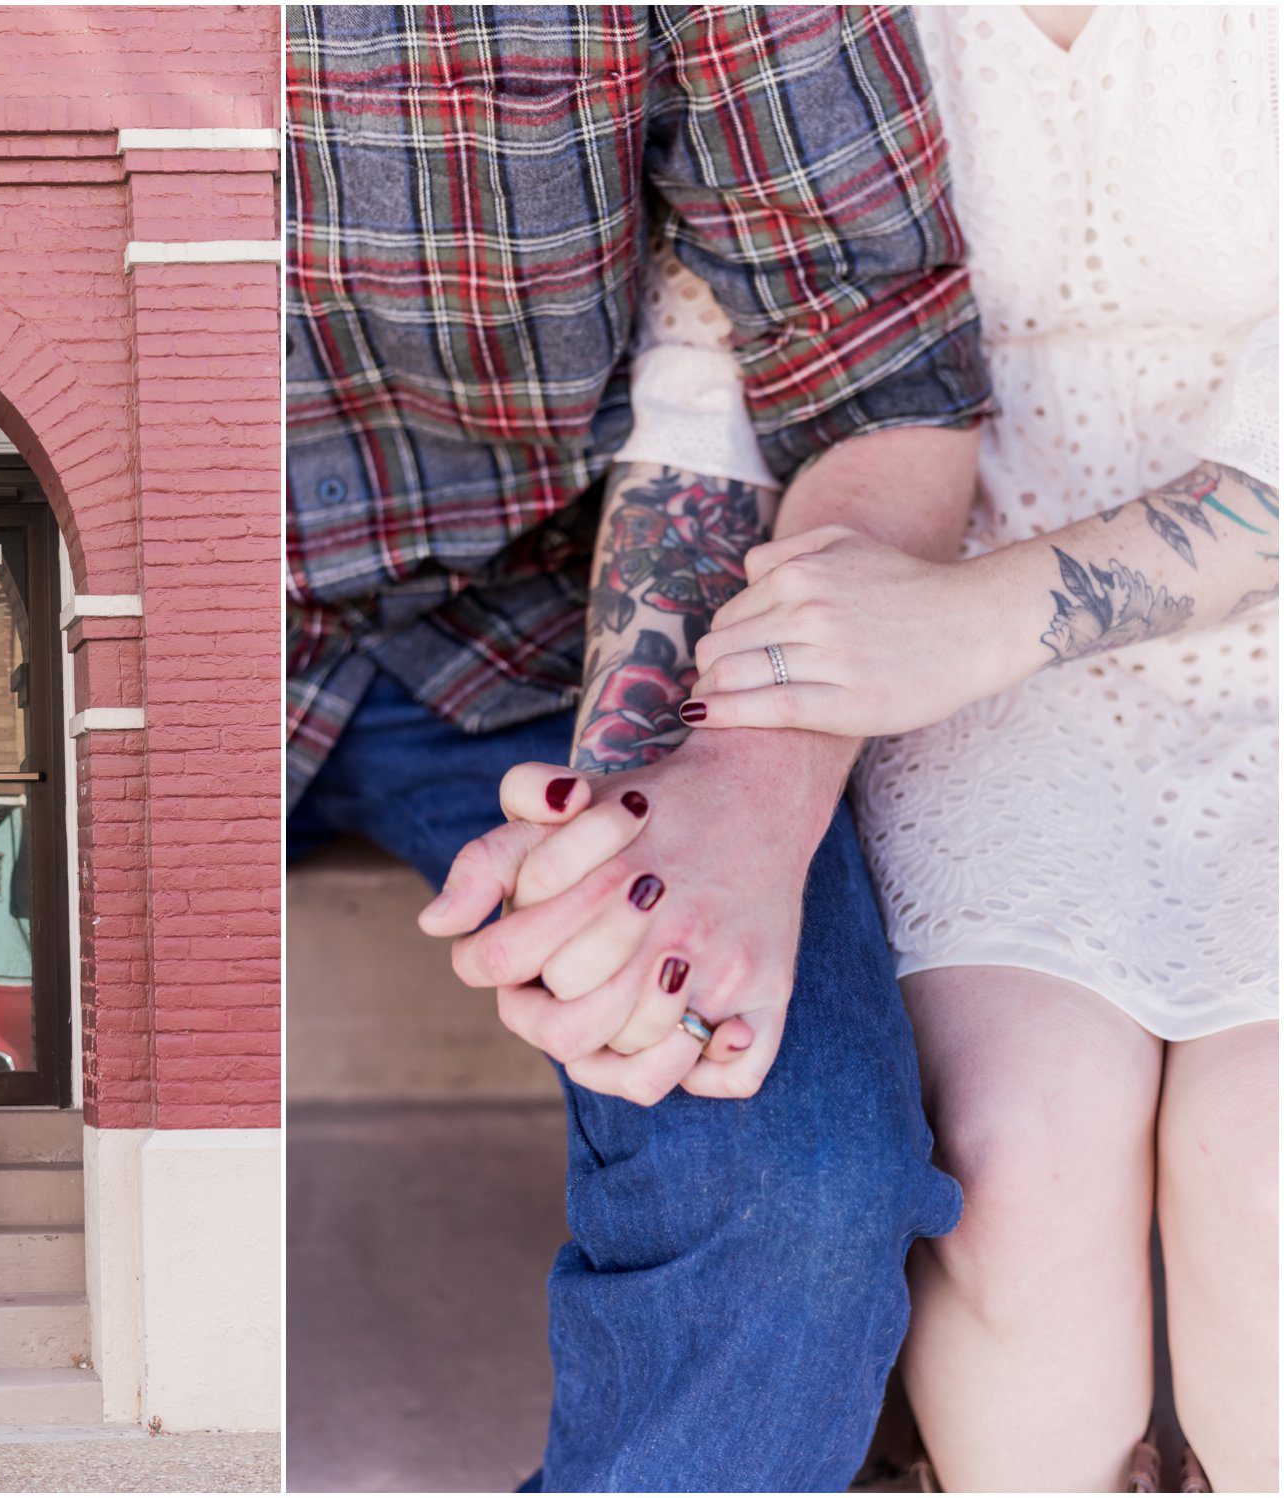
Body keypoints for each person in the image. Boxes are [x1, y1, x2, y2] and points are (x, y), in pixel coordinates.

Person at [286, 5, 993, 1490]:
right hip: (112, 634)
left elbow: (873, 353)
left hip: (547, 611)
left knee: (795, 1190)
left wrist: (744, 785)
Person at [652, 7, 1277, 1491]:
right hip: (942, 629)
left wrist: (977, 621)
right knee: (1018, 1157)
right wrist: (684, 736)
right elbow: (704, 353)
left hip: (1066, 621)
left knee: (1270, 1168)